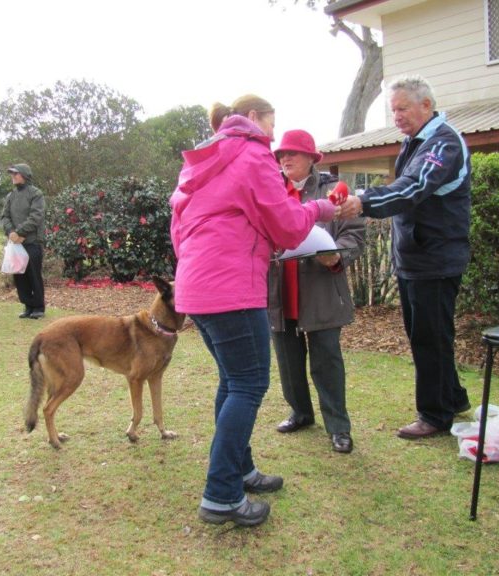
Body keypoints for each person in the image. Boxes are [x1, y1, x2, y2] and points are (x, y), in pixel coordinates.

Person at [170, 95, 338, 527]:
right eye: (271, 124)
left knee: (232, 381)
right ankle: (221, 495)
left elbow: (179, 224)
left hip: (196, 286)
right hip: (231, 289)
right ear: (254, 119)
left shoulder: (201, 160)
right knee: (248, 383)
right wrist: (320, 208)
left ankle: (239, 471)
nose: (273, 136)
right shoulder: (253, 155)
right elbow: (285, 223)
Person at [336, 75, 472, 439]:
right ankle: (454, 398)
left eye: (402, 108)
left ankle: (435, 415)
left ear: (426, 105)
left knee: (430, 338)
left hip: (435, 261)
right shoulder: (416, 141)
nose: (396, 116)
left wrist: (364, 202)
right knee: (429, 335)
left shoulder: (443, 144)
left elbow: (413, 187)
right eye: (392, 109)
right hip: (417, 260)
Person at [268, 130, 365, 454]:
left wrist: (338, 256)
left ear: (312, 158)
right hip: (279, 294)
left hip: (322, 291)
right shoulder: (270, 191)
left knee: (327, 362)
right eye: (281, 154)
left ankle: (338, 427)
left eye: (293, 153)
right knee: (287, 360)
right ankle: (300, 412)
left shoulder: (334, 192)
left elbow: (354, 236)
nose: (285, 159)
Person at [0, 163, 46, 319]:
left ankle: (38, 306)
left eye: (16, 174)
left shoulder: (36, 194)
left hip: (32, 242)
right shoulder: (10, 196)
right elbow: (4, 217)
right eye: (12, 174)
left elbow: (36, 216)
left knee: (34, 275)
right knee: (19, 276)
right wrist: (11, 232)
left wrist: (20, 232)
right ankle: (28, 306)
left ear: (25, 175)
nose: (13, 176)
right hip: (16, 243)